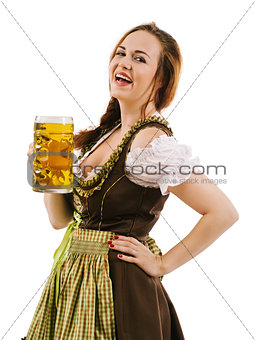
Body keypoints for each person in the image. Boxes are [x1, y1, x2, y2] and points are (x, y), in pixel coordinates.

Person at [23, 22, 239, 339]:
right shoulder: (105, 135)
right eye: (121, 53)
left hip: (117, 289)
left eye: (139, 58)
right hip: (73, 282)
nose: (124, 62)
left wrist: (162, 264)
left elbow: (223, 213)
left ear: (161, 79)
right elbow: (61, 220)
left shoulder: (149, 142)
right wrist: (47, 170)